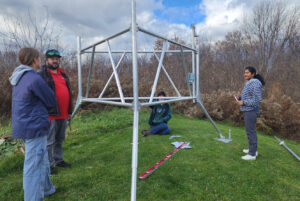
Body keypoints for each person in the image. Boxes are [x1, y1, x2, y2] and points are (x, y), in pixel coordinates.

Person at [9, 47, 57, 200]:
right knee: (34, 166)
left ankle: (48, 189)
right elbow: (51, 100)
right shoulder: (33, 78)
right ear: (34, 59)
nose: (41, 61)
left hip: (24, 125)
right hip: (33, 127)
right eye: (39, 58)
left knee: (41, 160)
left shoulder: (19, 76)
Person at [38, 49, 73, 174]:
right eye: (52, 58)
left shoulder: (62, 73)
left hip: (63, 114)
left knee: (60, 138)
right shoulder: (41, 74)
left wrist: (70, 111)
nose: (55, 60)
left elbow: (69, 92)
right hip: (50, 114)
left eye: (57, 58)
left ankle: (59, 160)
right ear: (46, 60)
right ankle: (48, 164)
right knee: (49, 141)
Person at [235, 66, 265, 160]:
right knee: (249, 131)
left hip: (251, 111)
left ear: (253, 74)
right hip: (248, 110)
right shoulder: (250, 82)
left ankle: (252, 154)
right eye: (245, 72)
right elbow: (250, 96)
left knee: (250, 131)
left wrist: (243, 102)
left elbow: (257, 100)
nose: (245, 74)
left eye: (247, 73)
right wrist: (240, 98)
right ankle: (252, 150)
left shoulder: (255, 83)